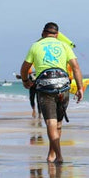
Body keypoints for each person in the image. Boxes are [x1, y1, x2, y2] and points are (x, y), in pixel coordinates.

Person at [20, 22, 83, 163]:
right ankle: (51, 155)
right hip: (63, 86)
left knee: (51, 123)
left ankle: (58, 156)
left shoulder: (35, 46)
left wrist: (25, 81)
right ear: (57, 35)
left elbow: (24, 68)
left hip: (45, 86)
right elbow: (76, 67)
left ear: (43, 33)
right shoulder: (64, 46)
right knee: (58, 124)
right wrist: (79, 88)